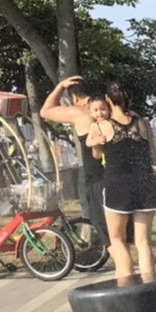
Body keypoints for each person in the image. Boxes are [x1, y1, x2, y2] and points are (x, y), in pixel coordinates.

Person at [85, 81, 156, 284]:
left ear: (108, 100)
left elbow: (97, 153)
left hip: (117, 185)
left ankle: (128, 292)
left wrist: (98, 144)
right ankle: (151, 292)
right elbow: (153, 157)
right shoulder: (143, 123)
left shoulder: (101, 125)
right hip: (145, 183)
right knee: (144, 242)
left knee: (118, 241)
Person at [39, 75, 108, 242]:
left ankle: (118, 258)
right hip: (118, 168)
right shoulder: (108, 109)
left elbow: (45, 111)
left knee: (102, 221)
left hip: (96, 173)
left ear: (75, 97)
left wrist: (61, 86)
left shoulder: (79, 113)